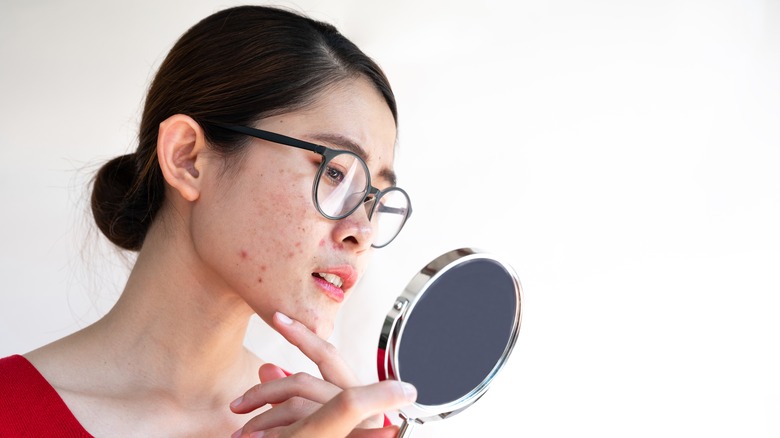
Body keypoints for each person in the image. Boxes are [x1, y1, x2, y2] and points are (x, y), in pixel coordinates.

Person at [0, 5, 416, 437]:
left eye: (376, 199)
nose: (363, 232)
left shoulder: (353, 429)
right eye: (335, 173)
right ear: (187, 158)